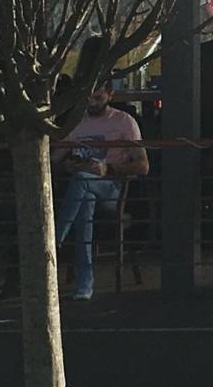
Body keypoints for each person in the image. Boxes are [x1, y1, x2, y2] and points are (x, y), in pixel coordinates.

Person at [53, 81, 149, 301]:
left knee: (82, 182)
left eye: (98, 98)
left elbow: (143, 166)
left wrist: (109, 168)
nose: (92, 103)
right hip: (82, 186)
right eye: (88, 98)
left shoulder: (124, 121)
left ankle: (56, 237)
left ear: (110, 95)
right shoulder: (76, 122)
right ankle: (84, 284)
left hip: (111, 187)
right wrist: (65, 165)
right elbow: (53, 160)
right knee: (84, 199)